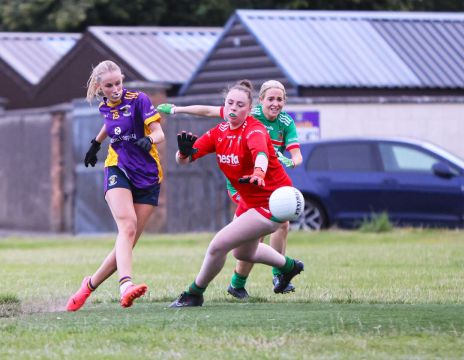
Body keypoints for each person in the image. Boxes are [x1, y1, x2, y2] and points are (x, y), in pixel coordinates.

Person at [157, 80, 302, 299]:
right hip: (249, 200)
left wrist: (259, 173)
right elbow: (184, 161)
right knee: (241, 252)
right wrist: (183, 154)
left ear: (249, 109)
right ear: (225, 106)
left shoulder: (255, 129)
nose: (234, 108)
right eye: (230, 103)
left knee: (218, 245)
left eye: (240, 105)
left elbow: (261, 155)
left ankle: (194, 293)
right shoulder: (219, 132)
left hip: (271, 201)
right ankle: (288, 266)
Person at [65, 60, 165, 311]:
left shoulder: (139, 100)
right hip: (117, 166)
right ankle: (126, 286)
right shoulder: (104, 106)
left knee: (127, 239)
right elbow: (111, 123)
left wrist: (149, 139)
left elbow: (159, 133)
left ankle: (88, 285)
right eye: (109, 85)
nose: (116, 89)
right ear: (100, 87)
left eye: (118, 82)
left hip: (148, 175)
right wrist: (96, 144)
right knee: (127, 226)